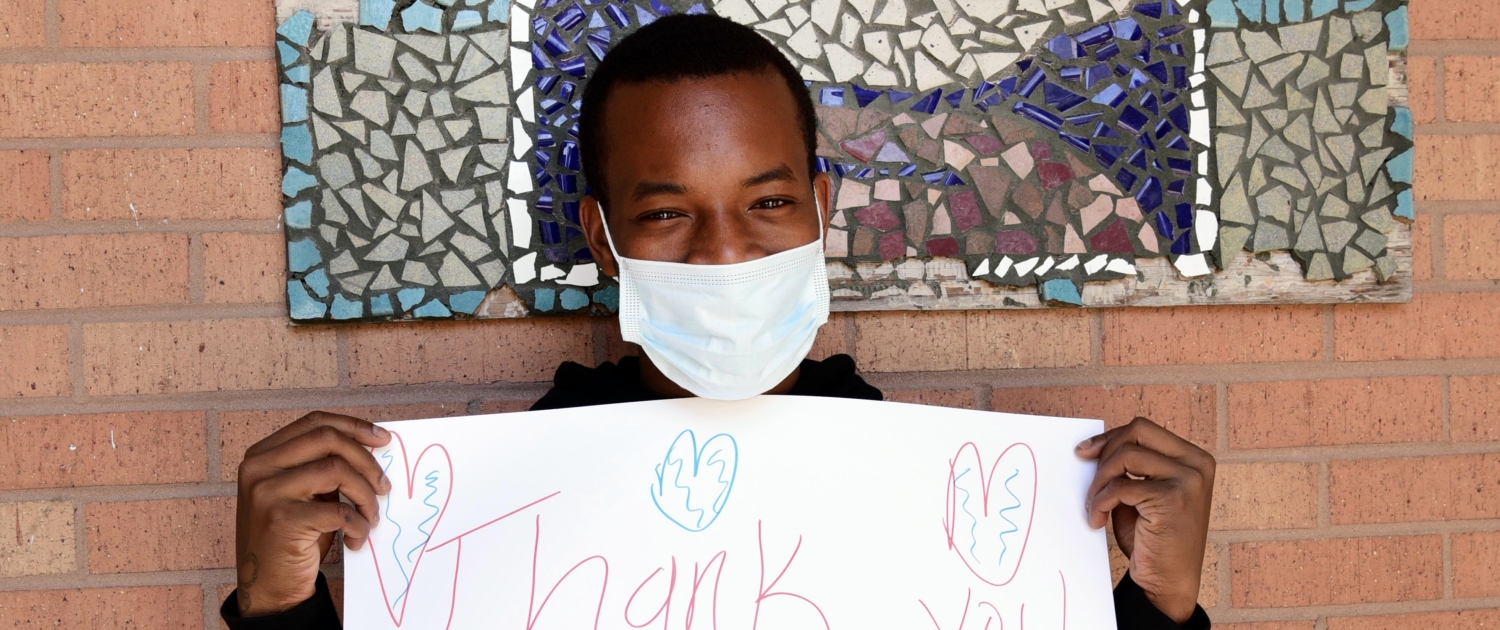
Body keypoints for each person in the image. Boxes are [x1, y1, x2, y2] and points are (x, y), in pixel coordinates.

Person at [224, 14, 1215, 629]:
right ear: (603, 242)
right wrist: (278, 607)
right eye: (665, 213)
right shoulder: (487, 522)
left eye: (767, 204)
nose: (724, 254)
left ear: (822, 211)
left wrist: (1159, 602)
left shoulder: (946, 512)